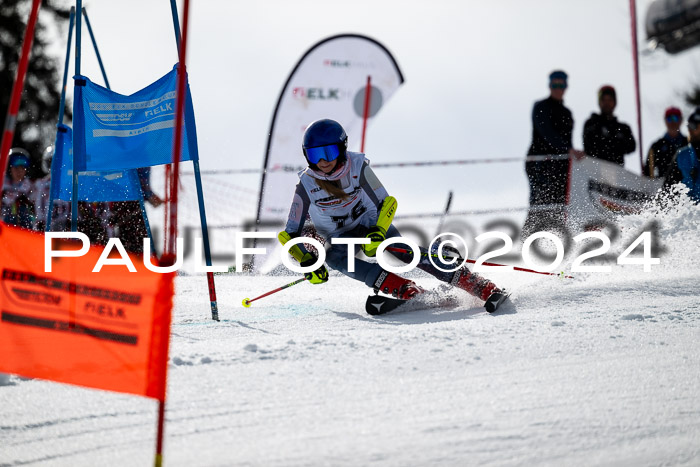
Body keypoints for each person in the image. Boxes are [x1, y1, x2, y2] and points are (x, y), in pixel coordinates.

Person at [279, 118, 504, 314]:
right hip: (340, 237)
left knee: (402, 253)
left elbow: (387, 203)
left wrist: (378, 232)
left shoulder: (357, 167)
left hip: (371, 225)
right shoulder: (306, 184)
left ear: (342, 148)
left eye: (329, 152)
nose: (322, 161)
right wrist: (307, 261)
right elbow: (290, 235)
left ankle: (477, 284)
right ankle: (404, 288)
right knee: (334, 258)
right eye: (314, 154)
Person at [523, 70, 584, 237]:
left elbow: (568, 142)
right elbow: (546, 132)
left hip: (560, 167)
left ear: (566, 86)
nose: (558, 88)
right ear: (549, 85)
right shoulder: (540, 106)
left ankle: (552, 243)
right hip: (539, 164)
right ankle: (527, 241)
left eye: (561, 84)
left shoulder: (567, 114)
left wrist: (571, 157)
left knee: (559, 206)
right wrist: (568, 150)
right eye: (555, 84)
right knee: (540, 203)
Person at [109, 167, 163, 253]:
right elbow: (142, 182)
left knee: (128, 236)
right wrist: (149, 195)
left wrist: (149, 195)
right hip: (130, 204)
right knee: (133, 237)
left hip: (121, 203)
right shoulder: (141, 159)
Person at [582, 85, 636, 166]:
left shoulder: (623, 128)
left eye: (610, 100)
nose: (607, 103)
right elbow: (590, 146)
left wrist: (609, 142)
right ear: (599, 102)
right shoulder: (592, 123)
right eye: (604, 100)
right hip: (595, 172)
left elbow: (631, 147)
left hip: (617, 173)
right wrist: (615, 143)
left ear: (614, 102)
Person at [664, 107, 700, 202]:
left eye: (693, 126)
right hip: (690, 213)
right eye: (688, 126)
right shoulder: (682, 155)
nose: (689, 130)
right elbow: (667, 190)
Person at [644, 107, 687, 178]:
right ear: (665, 121)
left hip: (687, 186)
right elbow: (647, 173)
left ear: (681, 120)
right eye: (669, 119)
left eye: (675, 118)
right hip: (663, 185)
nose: (673, 122)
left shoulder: (688, 144)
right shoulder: (656, 146)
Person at [1, 148, 35, 229]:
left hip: (22, 227)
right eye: (16, 168)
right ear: (9, 168)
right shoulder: (2, 184)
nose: (19, 171)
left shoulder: (30, 186)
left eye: (22, 168)